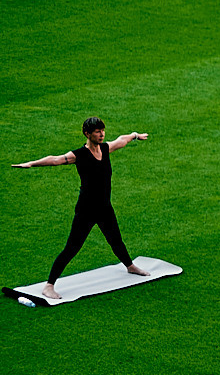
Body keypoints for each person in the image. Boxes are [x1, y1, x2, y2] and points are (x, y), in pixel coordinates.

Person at [13, 117, 149, 302]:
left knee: (116, 239)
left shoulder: (106, 149)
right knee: (72, 247)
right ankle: (49, 285)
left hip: (104, 208)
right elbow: (55, 160)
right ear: (87, 133)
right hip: (86, 210)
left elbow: (121, 140)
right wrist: (31, 163)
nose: (101, 134)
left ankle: (130, 266)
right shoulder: (79, 155)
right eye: (97, 132)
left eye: (103, 131)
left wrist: (135, 135)